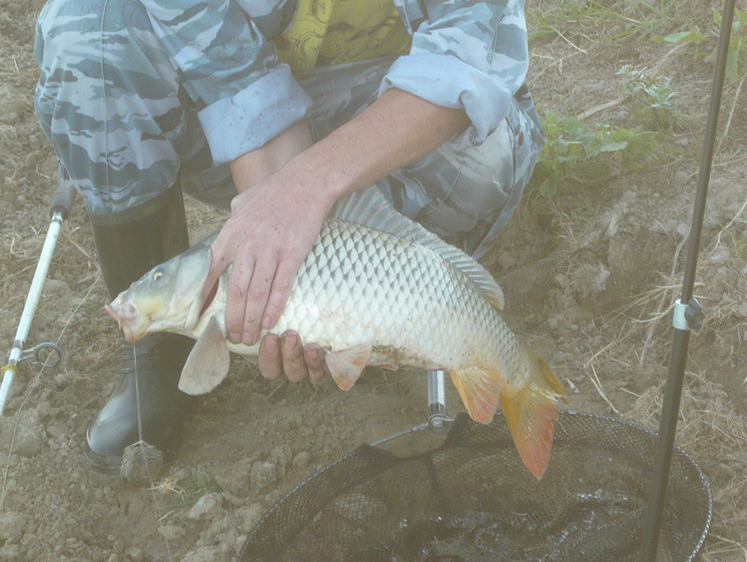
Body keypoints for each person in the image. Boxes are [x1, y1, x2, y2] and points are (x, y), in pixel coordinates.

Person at [34, 0, 545, 474]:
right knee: (85, 28)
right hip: (264, 117)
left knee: (488, 155)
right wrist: (276, 244)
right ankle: (157, 353)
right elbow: (233, 79)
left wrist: (310, 185)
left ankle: (419, 305)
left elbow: (471, 52)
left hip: (403, 101)